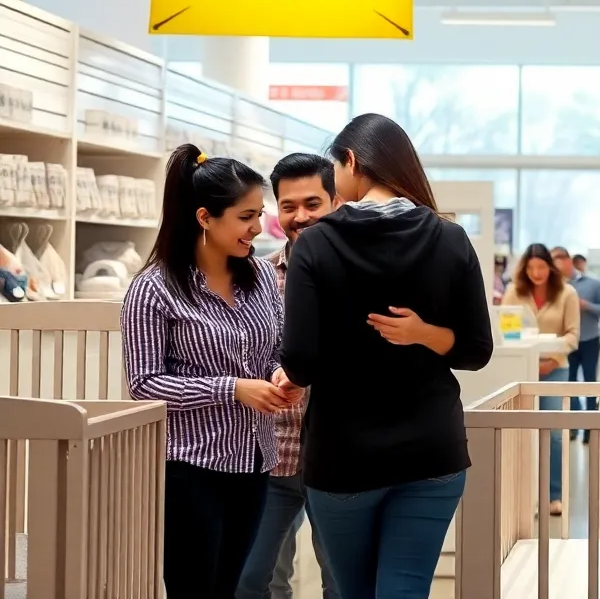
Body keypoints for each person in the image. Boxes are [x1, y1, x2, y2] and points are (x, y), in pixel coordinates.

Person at [279, 113, 495, 598]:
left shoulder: (316, 243)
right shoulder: (450, 238)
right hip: (432, 449)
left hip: (344, 454)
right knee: (406, 588)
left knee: (353, 590)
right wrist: (423, 333)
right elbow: (477, 351)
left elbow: (301, 363)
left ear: (351, 161)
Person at [122, 145, 299, 598]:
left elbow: (275, 348)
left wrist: (281, 375)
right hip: (189, 467)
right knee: (193, 589)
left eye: (260, 214)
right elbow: (144, 384)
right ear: (205, 216)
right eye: (245, 217)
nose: (258, 228)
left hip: (252, 461)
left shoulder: (260, 277)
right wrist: (233, 389)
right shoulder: (153, 289)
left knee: (230, 587)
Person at [237, 153, 340, 599]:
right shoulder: (255, 277)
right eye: (289, 205)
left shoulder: (360, 274)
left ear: (337, 200)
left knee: (342, 583)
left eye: (313, 203)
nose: (301, 216)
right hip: (270, 454)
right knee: (253, 580)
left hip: (340, 461)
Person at [502, 243, 580, 516]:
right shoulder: (513, 292)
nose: (537, 273)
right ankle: (523, 498)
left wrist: (552, 361)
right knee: (520, 433)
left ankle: (553, 495)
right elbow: (507, 333)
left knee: (553, 433)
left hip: (555, 369)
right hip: (521, 369)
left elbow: (572, 335)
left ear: (550, 267)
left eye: (542, 267)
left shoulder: (567, 293)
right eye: (531, 268)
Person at [551, 245, 600, 443]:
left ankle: (590, 427)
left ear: (569, 261)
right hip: (566, 342)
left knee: (590, 382)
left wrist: (587, 306)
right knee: (569, 383)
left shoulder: (593, 284)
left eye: (560, 259)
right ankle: (574, 424)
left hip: (589, 340)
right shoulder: (554, 287)